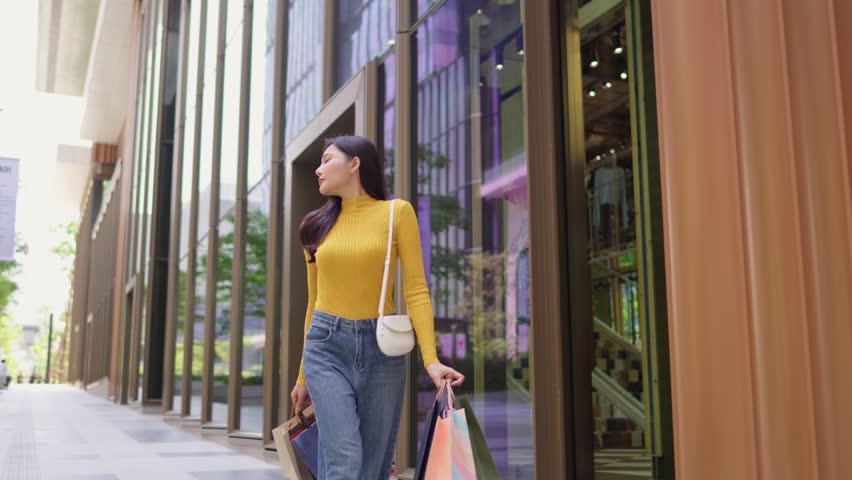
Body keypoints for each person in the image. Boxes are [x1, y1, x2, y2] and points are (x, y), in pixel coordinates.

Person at [290, 136, 464, 480]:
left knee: (372, 468)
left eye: (327, 160)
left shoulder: (396, 213)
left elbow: (415, 289)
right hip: (325, 347)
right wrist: (302, 376)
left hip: (382, 348)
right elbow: (314, 302)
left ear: (355, 163)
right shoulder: (314, 225)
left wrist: (430, 360)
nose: (318, 168)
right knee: (345, 460)